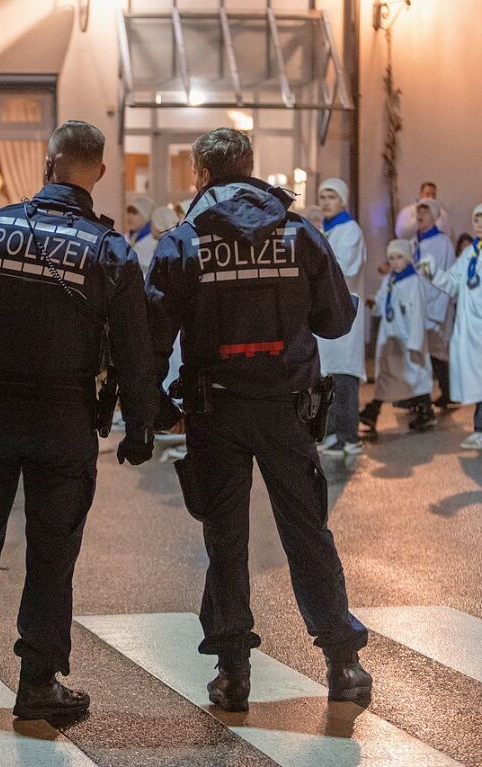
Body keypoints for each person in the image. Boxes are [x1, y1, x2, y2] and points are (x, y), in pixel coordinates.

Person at [0, 120, 159, 721]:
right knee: (52, 551)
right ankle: (39, 684)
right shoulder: (109, 249)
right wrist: (141, 424)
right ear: (97, 173)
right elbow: (134, 346)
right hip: (64, 419)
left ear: (47, 166)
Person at [146, 128, 371, 713]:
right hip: (286, 409)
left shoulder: (183, 242)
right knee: (307, 533)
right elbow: (337, 321)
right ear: (250, 169)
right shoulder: (300, 235)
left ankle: (233, 673)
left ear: (201, 175)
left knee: (225, 538)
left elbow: (149, 335)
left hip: (214, 410)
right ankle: (343, 663)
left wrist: (148, 406)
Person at [418, 204, 482, 449]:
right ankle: (479, 427)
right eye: (476, 219)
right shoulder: (469, 254)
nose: (479, 223)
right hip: (471, 327)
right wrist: (433, 273)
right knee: (478, 378)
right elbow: (453, 283)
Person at [314, 179, 368, 458]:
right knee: (330, 376)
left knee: (344, 376)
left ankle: (349, 436)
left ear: (343, 200)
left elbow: (343, 266)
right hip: (329, 315)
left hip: (344, 313)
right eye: (322, 196)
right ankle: (333, 432)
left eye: (331, 196)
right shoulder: (328, 229)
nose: (325, 201)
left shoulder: (349, 231)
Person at [360, 240, 435, 435]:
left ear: (408, 258)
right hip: (391, 335)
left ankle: (424, 411)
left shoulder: (414, 282)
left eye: (399, 257)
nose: (395, 262)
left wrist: (415, 342)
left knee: (413, 373)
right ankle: (373, 410)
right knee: (389, 373)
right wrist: (374, 304)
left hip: (407, 337)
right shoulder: (390, 279)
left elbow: (418, 313)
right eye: (391, 258)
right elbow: (383, 301)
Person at [412, 198, 457, 408]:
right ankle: (422, 397)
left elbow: (446, 273)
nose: (420, 215)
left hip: (436, 303)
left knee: (437, 350)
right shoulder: (416, 242)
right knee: (422, 350)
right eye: (418, 211)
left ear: (435, 216)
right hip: (420, 303)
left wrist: (439, 306)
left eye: (425, 211)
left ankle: (447, 391)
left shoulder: (442, 242)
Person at [124, 194, 157, 273]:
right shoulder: (124, 238)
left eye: (134, 213)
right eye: (129, 212)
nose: (130, 217)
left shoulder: (155, 242)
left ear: (146, 215)